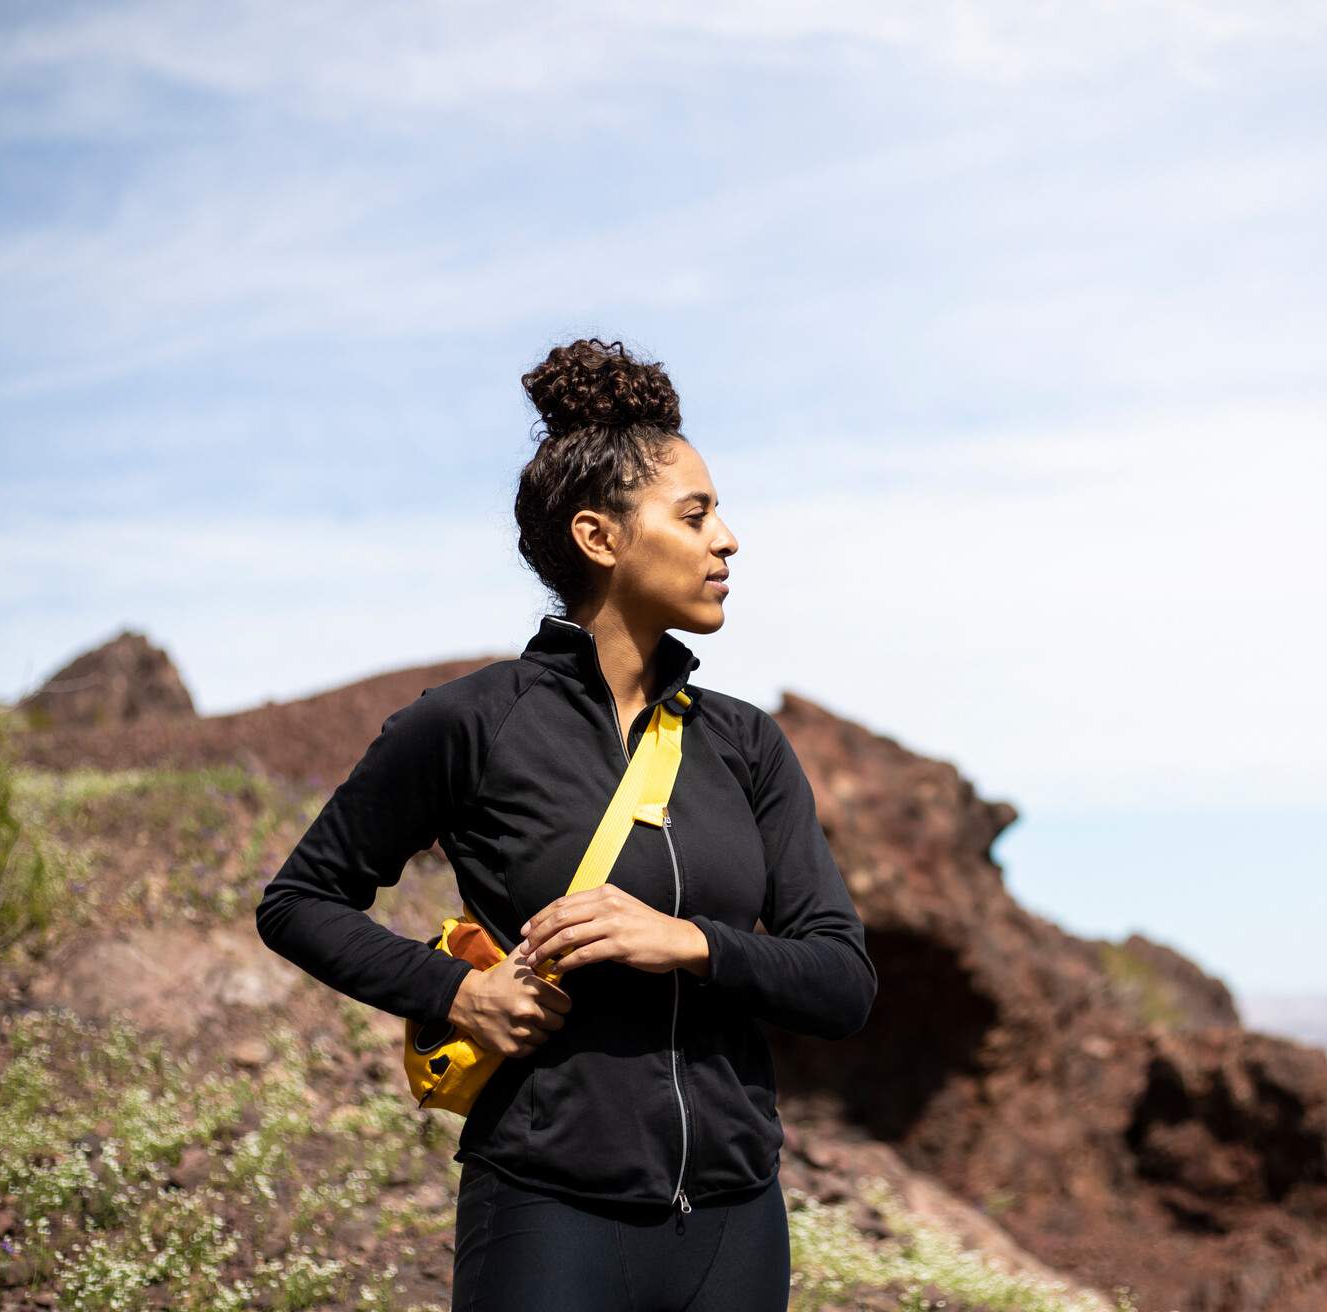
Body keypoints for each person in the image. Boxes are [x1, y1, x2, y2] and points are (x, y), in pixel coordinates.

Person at [254, 336, 880, 1311]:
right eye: (697, 513)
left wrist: (687, 942)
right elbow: (299, 901)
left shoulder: (747, 745)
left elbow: (843, 981)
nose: (729, 539)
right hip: (546, 1212)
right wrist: (457, 994)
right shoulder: (471, 722)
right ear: (601, 537)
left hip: (736, 1221)